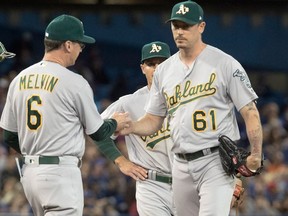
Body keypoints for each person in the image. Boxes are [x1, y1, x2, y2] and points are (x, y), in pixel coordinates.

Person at [119, 1, 263, 216]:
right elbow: (153, 120)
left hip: (216, 161)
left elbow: (249, 111)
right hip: (180, 164)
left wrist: (256, 154)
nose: (179, 31)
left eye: (185, 26)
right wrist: (131, 126)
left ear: (201, 27)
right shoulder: (164, 71)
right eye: (176, 26)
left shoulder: (224, 63)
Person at [0, 14, 147, 216]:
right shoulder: (73, 81)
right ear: (68, 45)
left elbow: (8, 135)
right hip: (60, 174)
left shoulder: (19, 79)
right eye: (80, 44)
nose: (80, 49)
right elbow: (97, 132)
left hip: (30, 174)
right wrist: (115, 121)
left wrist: (34, 152)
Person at [101, 41, 176, 216]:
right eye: (151, 64)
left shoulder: (187, 98)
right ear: (143, 68)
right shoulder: (129, 103)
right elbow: (97, 131)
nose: (156, 68)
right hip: (152, 185)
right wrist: (121, 161)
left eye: (162, 63)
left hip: (187, 183)